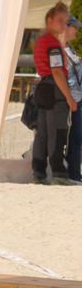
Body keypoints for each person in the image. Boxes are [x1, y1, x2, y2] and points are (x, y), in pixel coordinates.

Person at [31, 1, 77, 185]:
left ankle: (38, 173)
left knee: (42, 133)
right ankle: (58, 173)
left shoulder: (41, 39)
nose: (63, 25)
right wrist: (69, 97)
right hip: (54, 87)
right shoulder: (51, 41)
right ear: (49, 21)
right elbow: (57, 71)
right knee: (57, 131)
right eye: (60, 21)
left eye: (65, 22)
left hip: (43, 86)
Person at [62, 14, 82, 182]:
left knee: (75, 137)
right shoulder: (58, 48)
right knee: (70, 137)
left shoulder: (69, 48)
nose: (76, 29)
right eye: (73, 26)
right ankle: (72, 174)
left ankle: (75, 172)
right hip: (67, 101)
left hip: (76, 98)